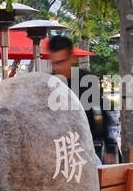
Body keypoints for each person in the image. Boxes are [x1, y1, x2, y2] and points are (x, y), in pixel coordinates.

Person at [47, 34, 118, 163]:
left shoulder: (87, 81)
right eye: (53, 63)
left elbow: (103, 114)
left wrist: (109, 147)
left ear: (72, 58)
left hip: (87, 150)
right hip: (57, 152)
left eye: (61, 62)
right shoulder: (47, 85)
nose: (56, 67)